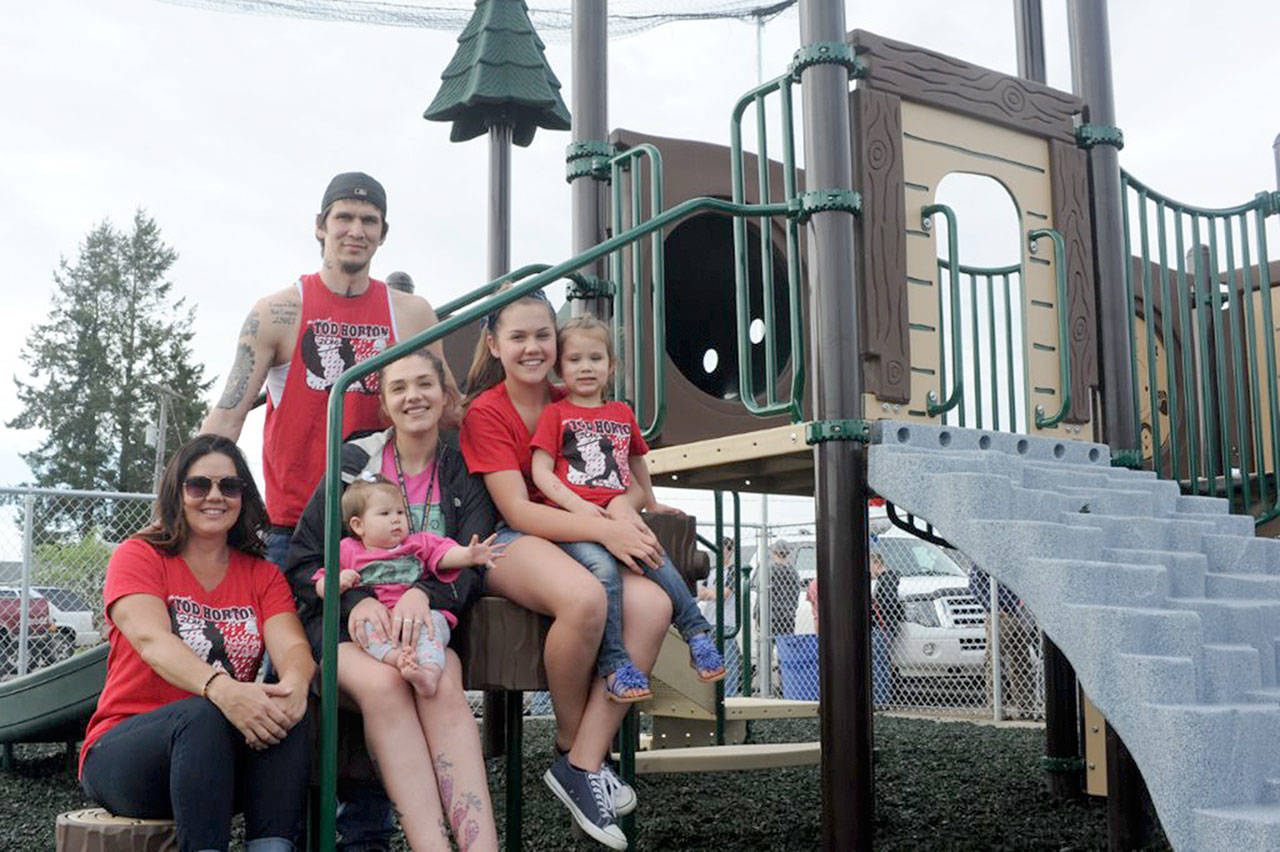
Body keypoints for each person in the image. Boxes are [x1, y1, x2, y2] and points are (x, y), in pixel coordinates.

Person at [200, 172, 448, 849]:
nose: (356, 230)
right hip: (291, 534)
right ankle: (292, 831)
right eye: (344, 217)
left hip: (380, 532)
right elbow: (228, 410)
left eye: (369, 220)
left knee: (377, 676)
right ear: (320, 225)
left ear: (383, 233)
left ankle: (365, 833)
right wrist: (180, 489)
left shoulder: (410, 315)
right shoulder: (279, 312)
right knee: (294, 684)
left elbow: (442, 402)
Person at [460, 289, 673, 850]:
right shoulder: (488, 411)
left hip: (584, 529)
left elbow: (624, 478)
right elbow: (517, 508)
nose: (532, 347)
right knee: (584, 599)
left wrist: (625, 511)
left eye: (542, 335)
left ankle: (582, 761)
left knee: (654, 605)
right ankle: (569, 742)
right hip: (512, 539)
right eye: (518, 337)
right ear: (494, 345)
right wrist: (605, 528)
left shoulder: (573, 397)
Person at [287, 347, 500, 850]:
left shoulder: (462, 470)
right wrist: (355, 599)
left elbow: (474, 557)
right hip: (344, 622)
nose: (413, 397)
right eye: (398, 387)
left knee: (440, 685)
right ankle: (431, 844)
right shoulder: (353, 464)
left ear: (445, 393)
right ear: (383, 402)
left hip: (422, 621)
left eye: (424, 384)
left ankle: (480, 846)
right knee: (384, 685)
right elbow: (301, 560)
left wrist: (423, 595)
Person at [79, 435, 315, 852]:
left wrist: (295, 688)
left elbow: (293, 648)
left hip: (216, 760)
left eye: (229, 486)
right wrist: (223, 690)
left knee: (287, 718)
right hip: (129, 754)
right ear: (177, 492)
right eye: (198, 485)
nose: (215, 496)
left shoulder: (262, 574)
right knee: (203, 716)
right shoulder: (139, 556)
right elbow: (152, 640)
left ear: (243, 495)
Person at [528, 316, 725, 702]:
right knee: (602, 572)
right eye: (575, 360)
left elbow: (636, 462)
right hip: (574, 520)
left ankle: (696, 632)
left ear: (611, 366)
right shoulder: (556, 414)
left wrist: (649, 502)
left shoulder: (621, 413)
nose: (586, 367)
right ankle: (615, 662)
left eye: (595, 358)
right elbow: (540, 470)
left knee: (654, 554)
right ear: (559, 368)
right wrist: (574, 505)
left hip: (617, 509)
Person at [314, 475, 502, 698]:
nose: (396, 519)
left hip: (418, 616)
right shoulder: (347, 550)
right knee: (364, 629)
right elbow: (321, 580)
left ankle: (428, 673)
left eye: (400, 512)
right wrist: (336, 582)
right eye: (385, 514)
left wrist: (468, 555)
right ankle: (398, 659)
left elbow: (443, 555)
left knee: (436, 625)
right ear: (358, 525)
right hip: (381, 622)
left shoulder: (418, 543)